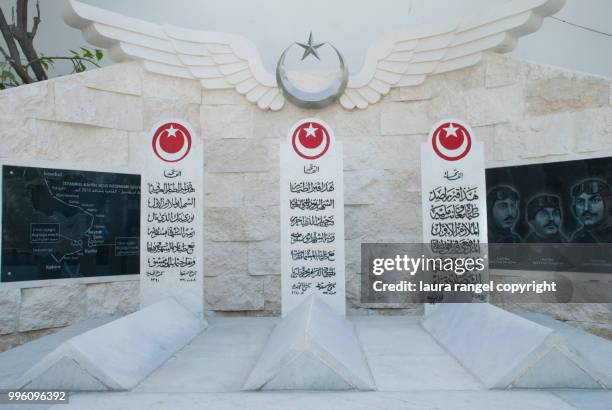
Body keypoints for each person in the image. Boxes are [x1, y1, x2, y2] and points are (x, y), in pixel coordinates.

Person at [570, 178, 612, 243]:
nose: (586, 208)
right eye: (580, 202)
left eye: (595, 201)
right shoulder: (578, 237)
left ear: (608, 204)